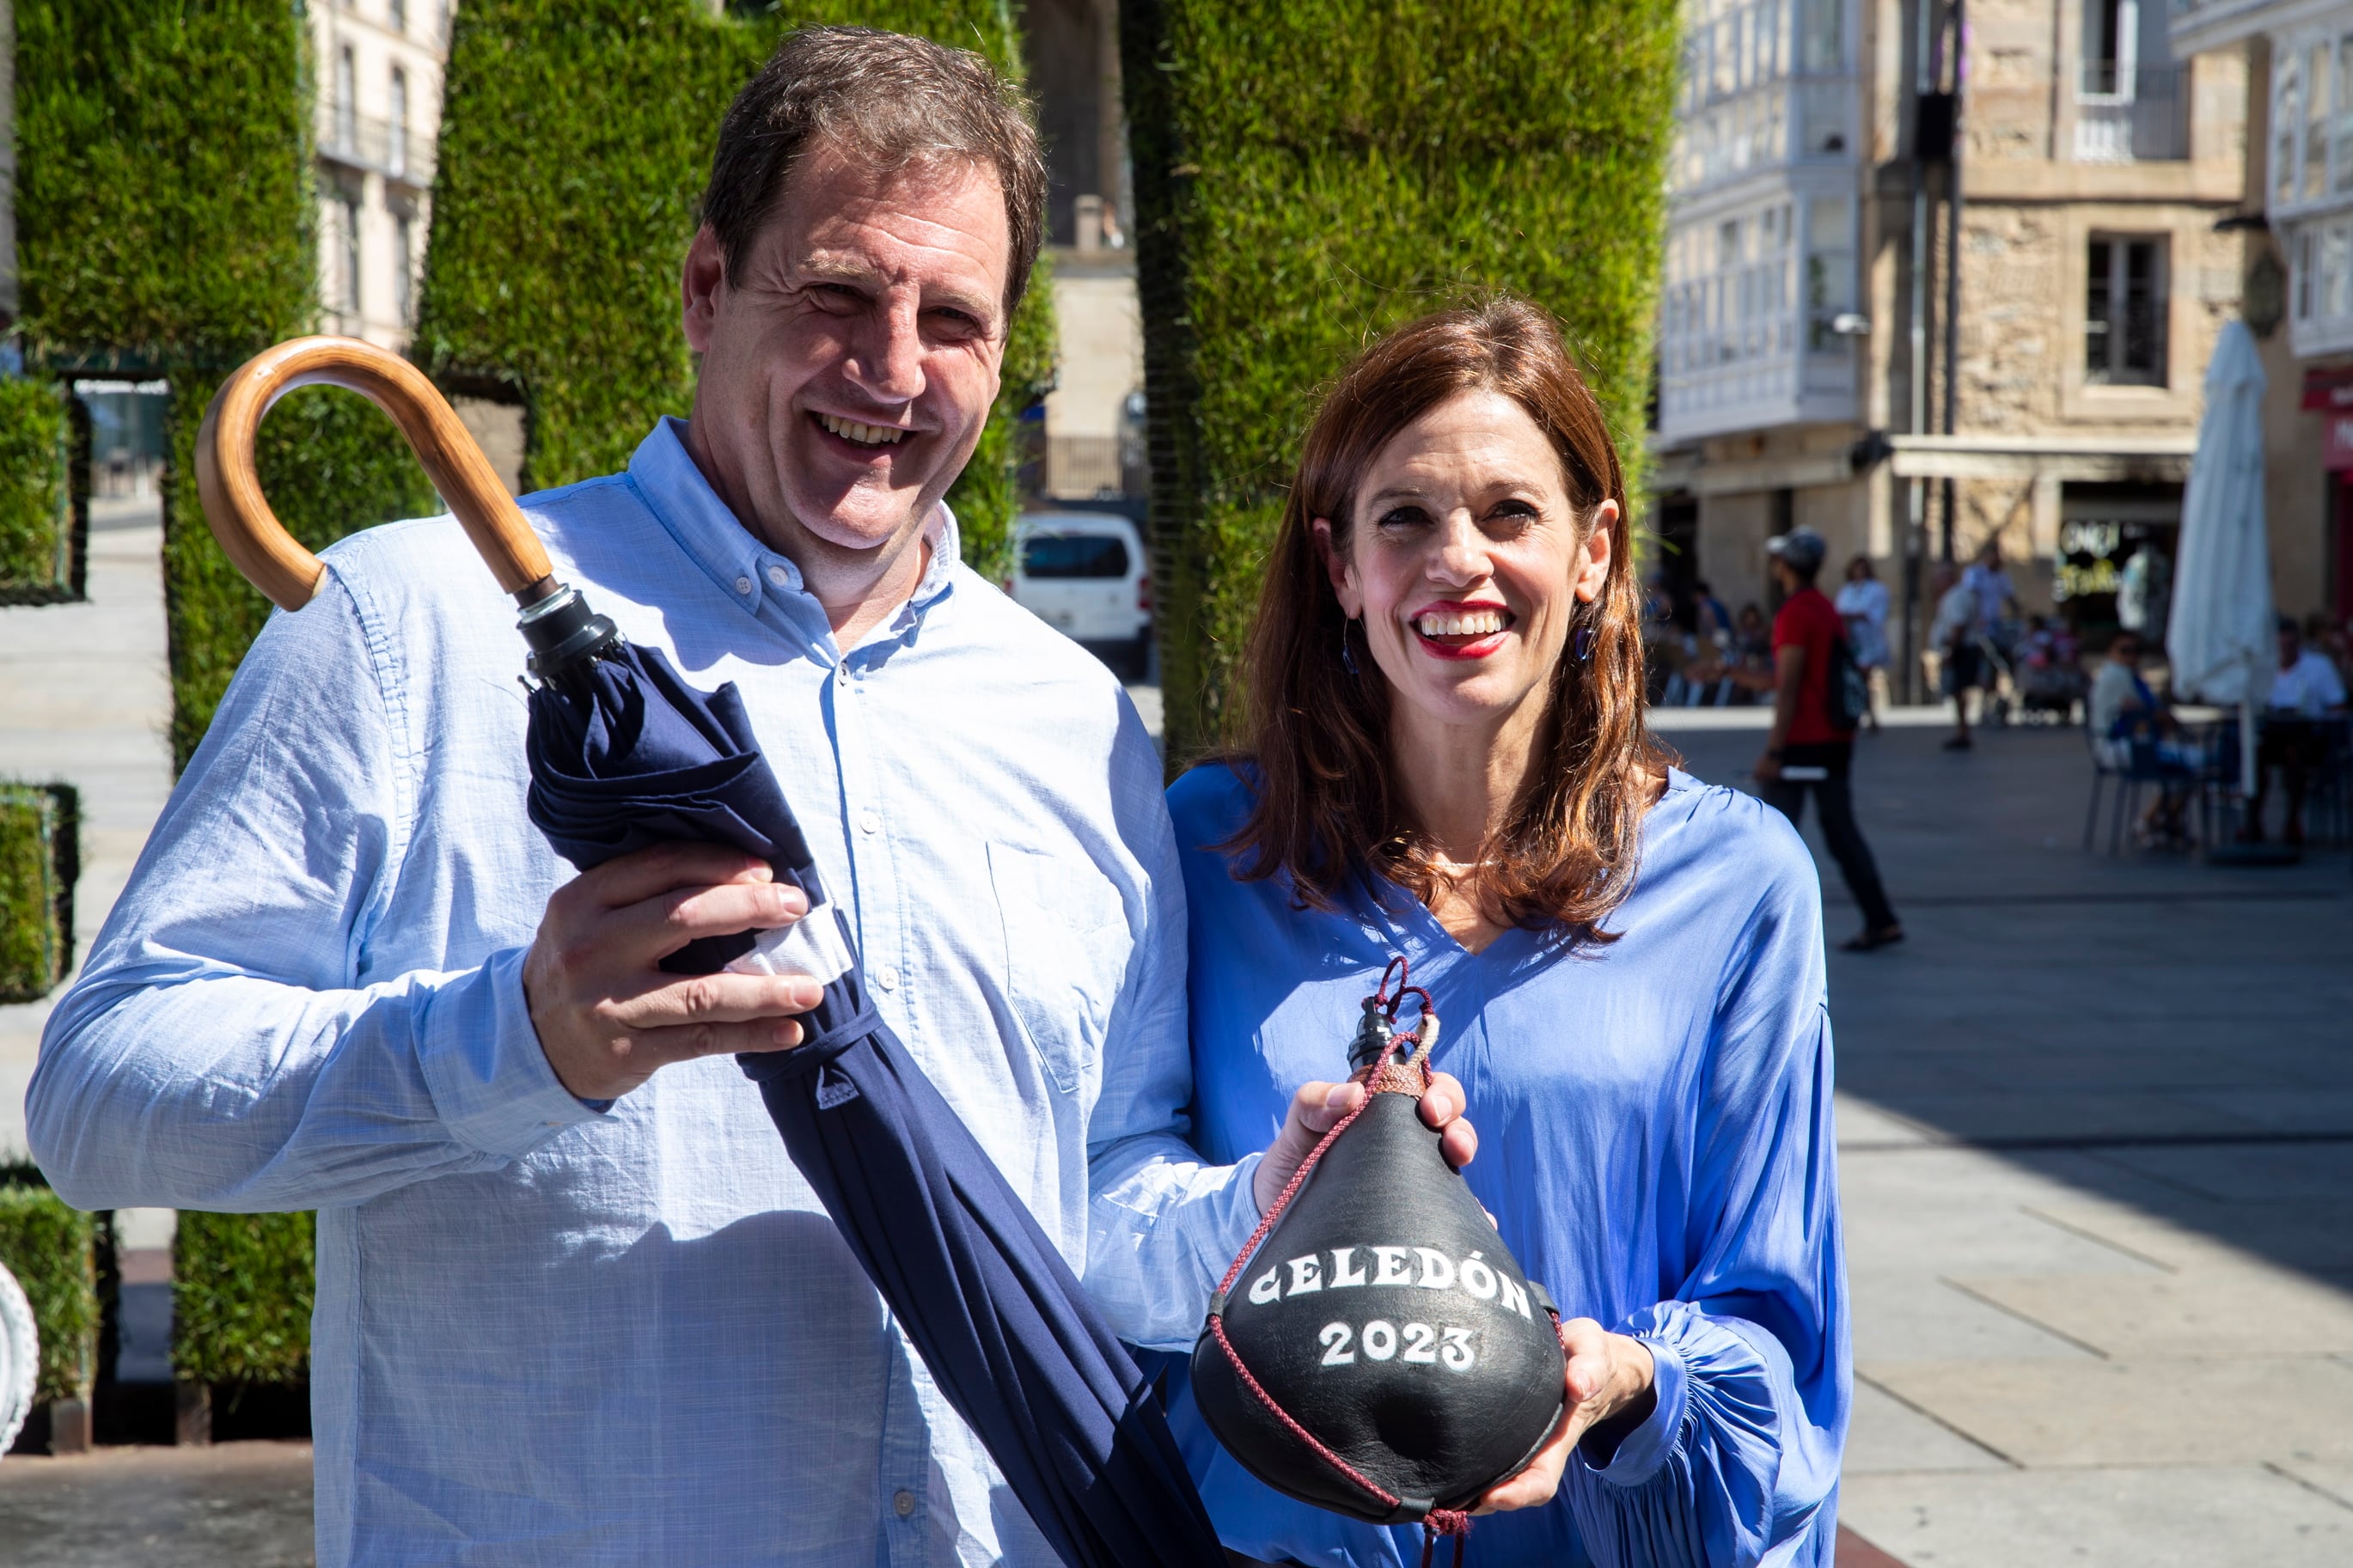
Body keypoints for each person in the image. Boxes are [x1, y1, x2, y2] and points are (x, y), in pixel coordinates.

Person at [28, 28, 1468, 1564]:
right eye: (838, 294)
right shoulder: (409, 625)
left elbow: (1091, 1210)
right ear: (709, 289)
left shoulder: (1070, 726)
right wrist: (506, 1041)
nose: (896, 369)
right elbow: (102, 1095)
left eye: (955, 321)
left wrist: (1265, 1209)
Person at [1159, 301, 1849, 1566]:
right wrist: (1254, 1196)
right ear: (1339, 567)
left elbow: (1775, 1323)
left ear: (1593, 552)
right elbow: (1107, 1213)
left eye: (1508, 514)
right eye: (1403, 518)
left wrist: (1625, 1377)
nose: (1456, 561)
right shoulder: (1211, 849)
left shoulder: (1738, 880)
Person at [1754, 529, 1904, 950]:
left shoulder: (1795, 613)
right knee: (1840, 831)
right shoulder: (1825, 608)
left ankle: (1757, 934)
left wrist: (1773, 751)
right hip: (1835, 738)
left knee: (1769, 833)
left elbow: (1789, 687)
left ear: (1783, 566)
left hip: (1803, 741)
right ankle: (1881, 918)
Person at [2087, 629, 2193, 846]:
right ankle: (2150, 821)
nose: (2131, 655)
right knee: (2190, 763)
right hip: (2119, 747)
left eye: (2136, 650)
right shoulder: (2116, 676)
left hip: (2130, 745)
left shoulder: (2129, 676)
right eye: (2124, 650)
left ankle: (2160, 821)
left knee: (2184, 768)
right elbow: (2142, 713)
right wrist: (2164, 720)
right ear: (2111, 651)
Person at [2247, 616, 2350, 844]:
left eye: (2289, 646)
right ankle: (2252, 821)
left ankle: (2292, 820)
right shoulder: (2263, 669)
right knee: (2253, 754)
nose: (2284, 652)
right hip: (2271, 734)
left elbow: (2339, 706)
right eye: (2279, 647)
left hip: (2312, 737)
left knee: (2296, 752)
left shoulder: (2319, 666)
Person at [1832, 553, 1889, 731]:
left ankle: (1869, 714)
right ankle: (1859, 712)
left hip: (1868, 641)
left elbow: (1873, 615)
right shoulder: (1847, 590)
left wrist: (1852, 616)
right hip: (1850, 640)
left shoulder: (1877, 590)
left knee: (1864, 677)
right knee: (1854, 678)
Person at [1928, 561, 1980, 749]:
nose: (1935, 583)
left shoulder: (1957, 596)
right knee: (1957, 691)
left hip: (1961, 649)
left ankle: (1963, 731)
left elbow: (1958, 626)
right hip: (1958, 648)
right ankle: (1961, 730)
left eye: (1937, 579)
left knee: (1960, 690)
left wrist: (1950, 650)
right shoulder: (1950, 596)